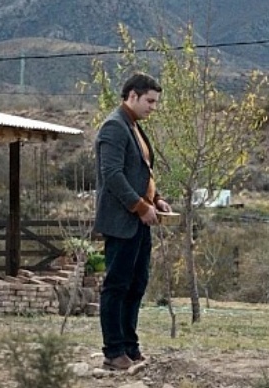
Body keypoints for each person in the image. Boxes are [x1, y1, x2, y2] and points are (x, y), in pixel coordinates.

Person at [93, 72, 172, 371]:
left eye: (155, 102)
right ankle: (114, 351)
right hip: (122, 221)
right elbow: (112, 175)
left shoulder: (133, 127)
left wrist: (156, 199)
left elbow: (140, 172)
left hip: (139, 221)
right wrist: (140, 207)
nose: (153, 107)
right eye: (149, 101)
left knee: (137, 283)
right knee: (117, 286)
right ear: (132, 96)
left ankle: (129, 346)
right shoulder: (114, 127)